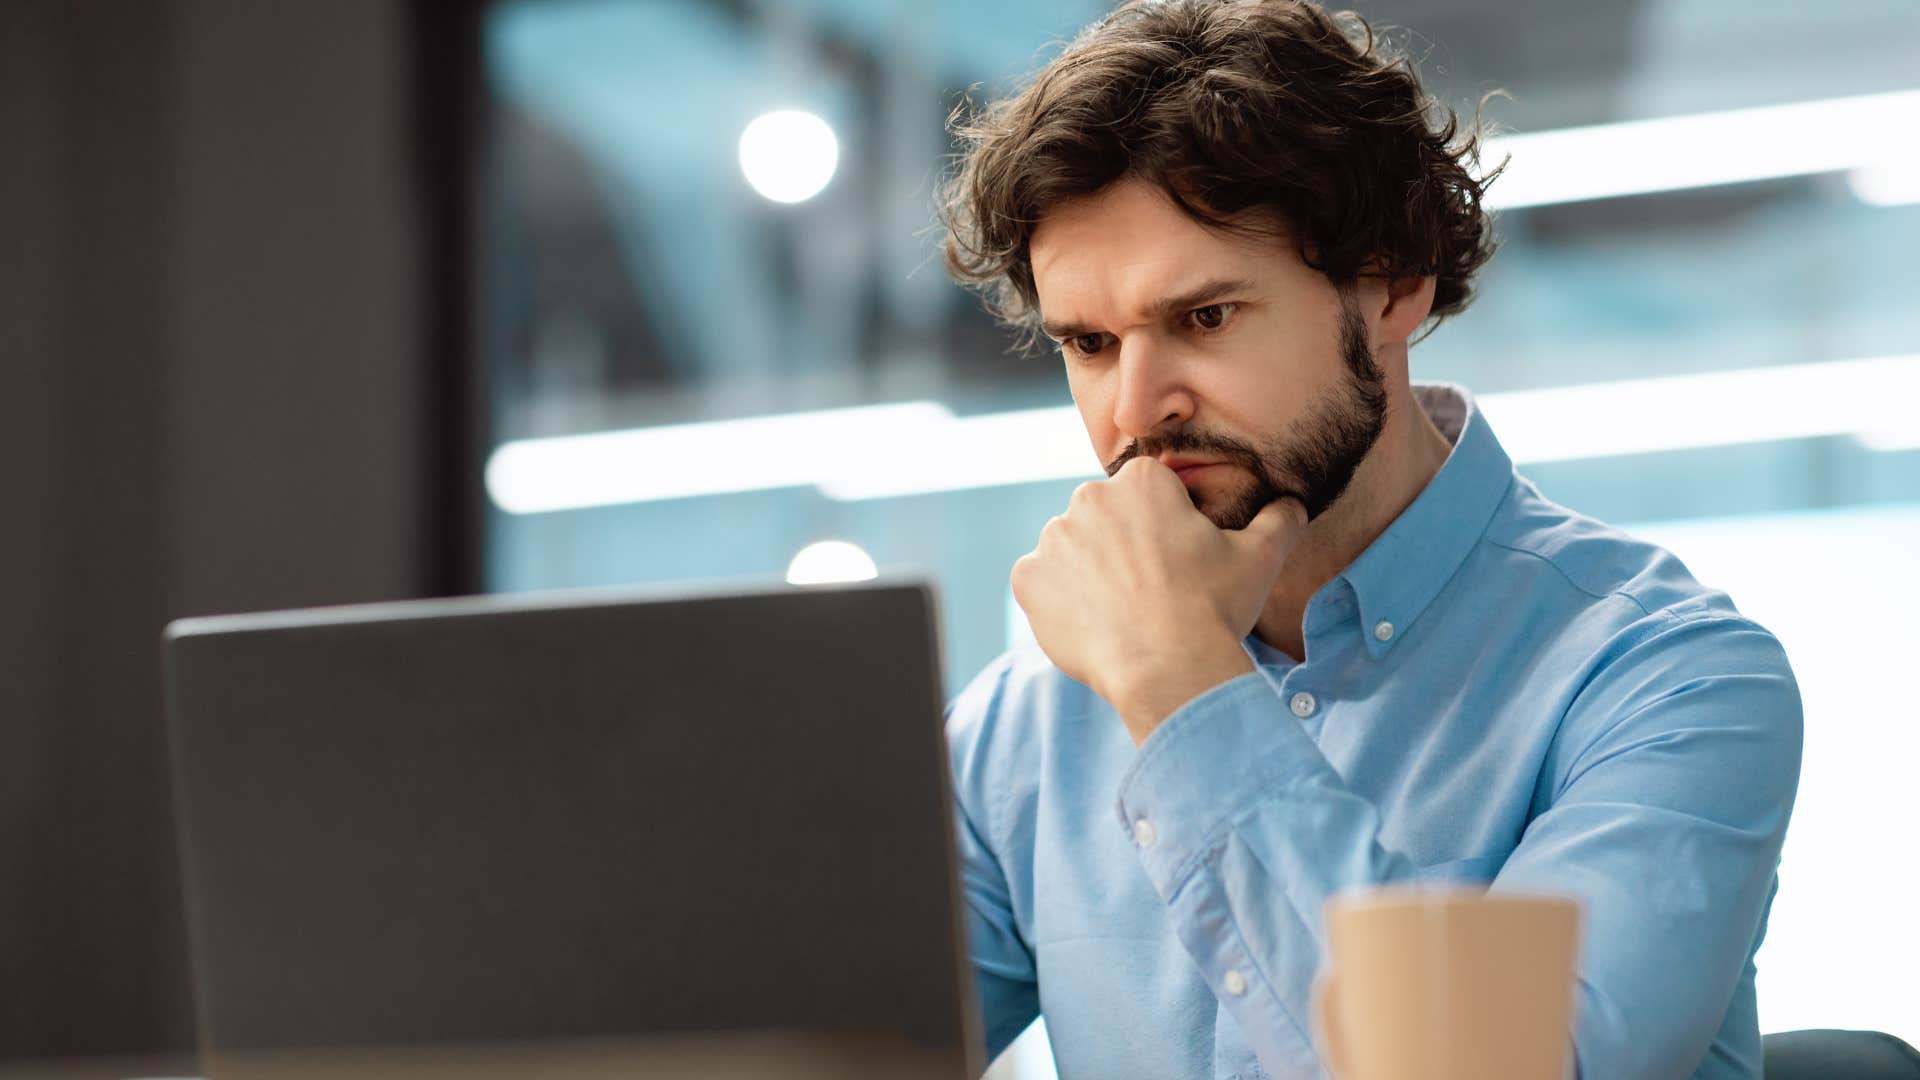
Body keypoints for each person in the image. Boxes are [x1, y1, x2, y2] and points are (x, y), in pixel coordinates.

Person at [935, 2, 1803, 1078]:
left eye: (1205, 318)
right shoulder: (1021, 730)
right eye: (1091, 343)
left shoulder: (1667, 682)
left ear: (1393, 283)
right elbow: (810, 1041)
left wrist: (1180, 689)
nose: (1137, 407)